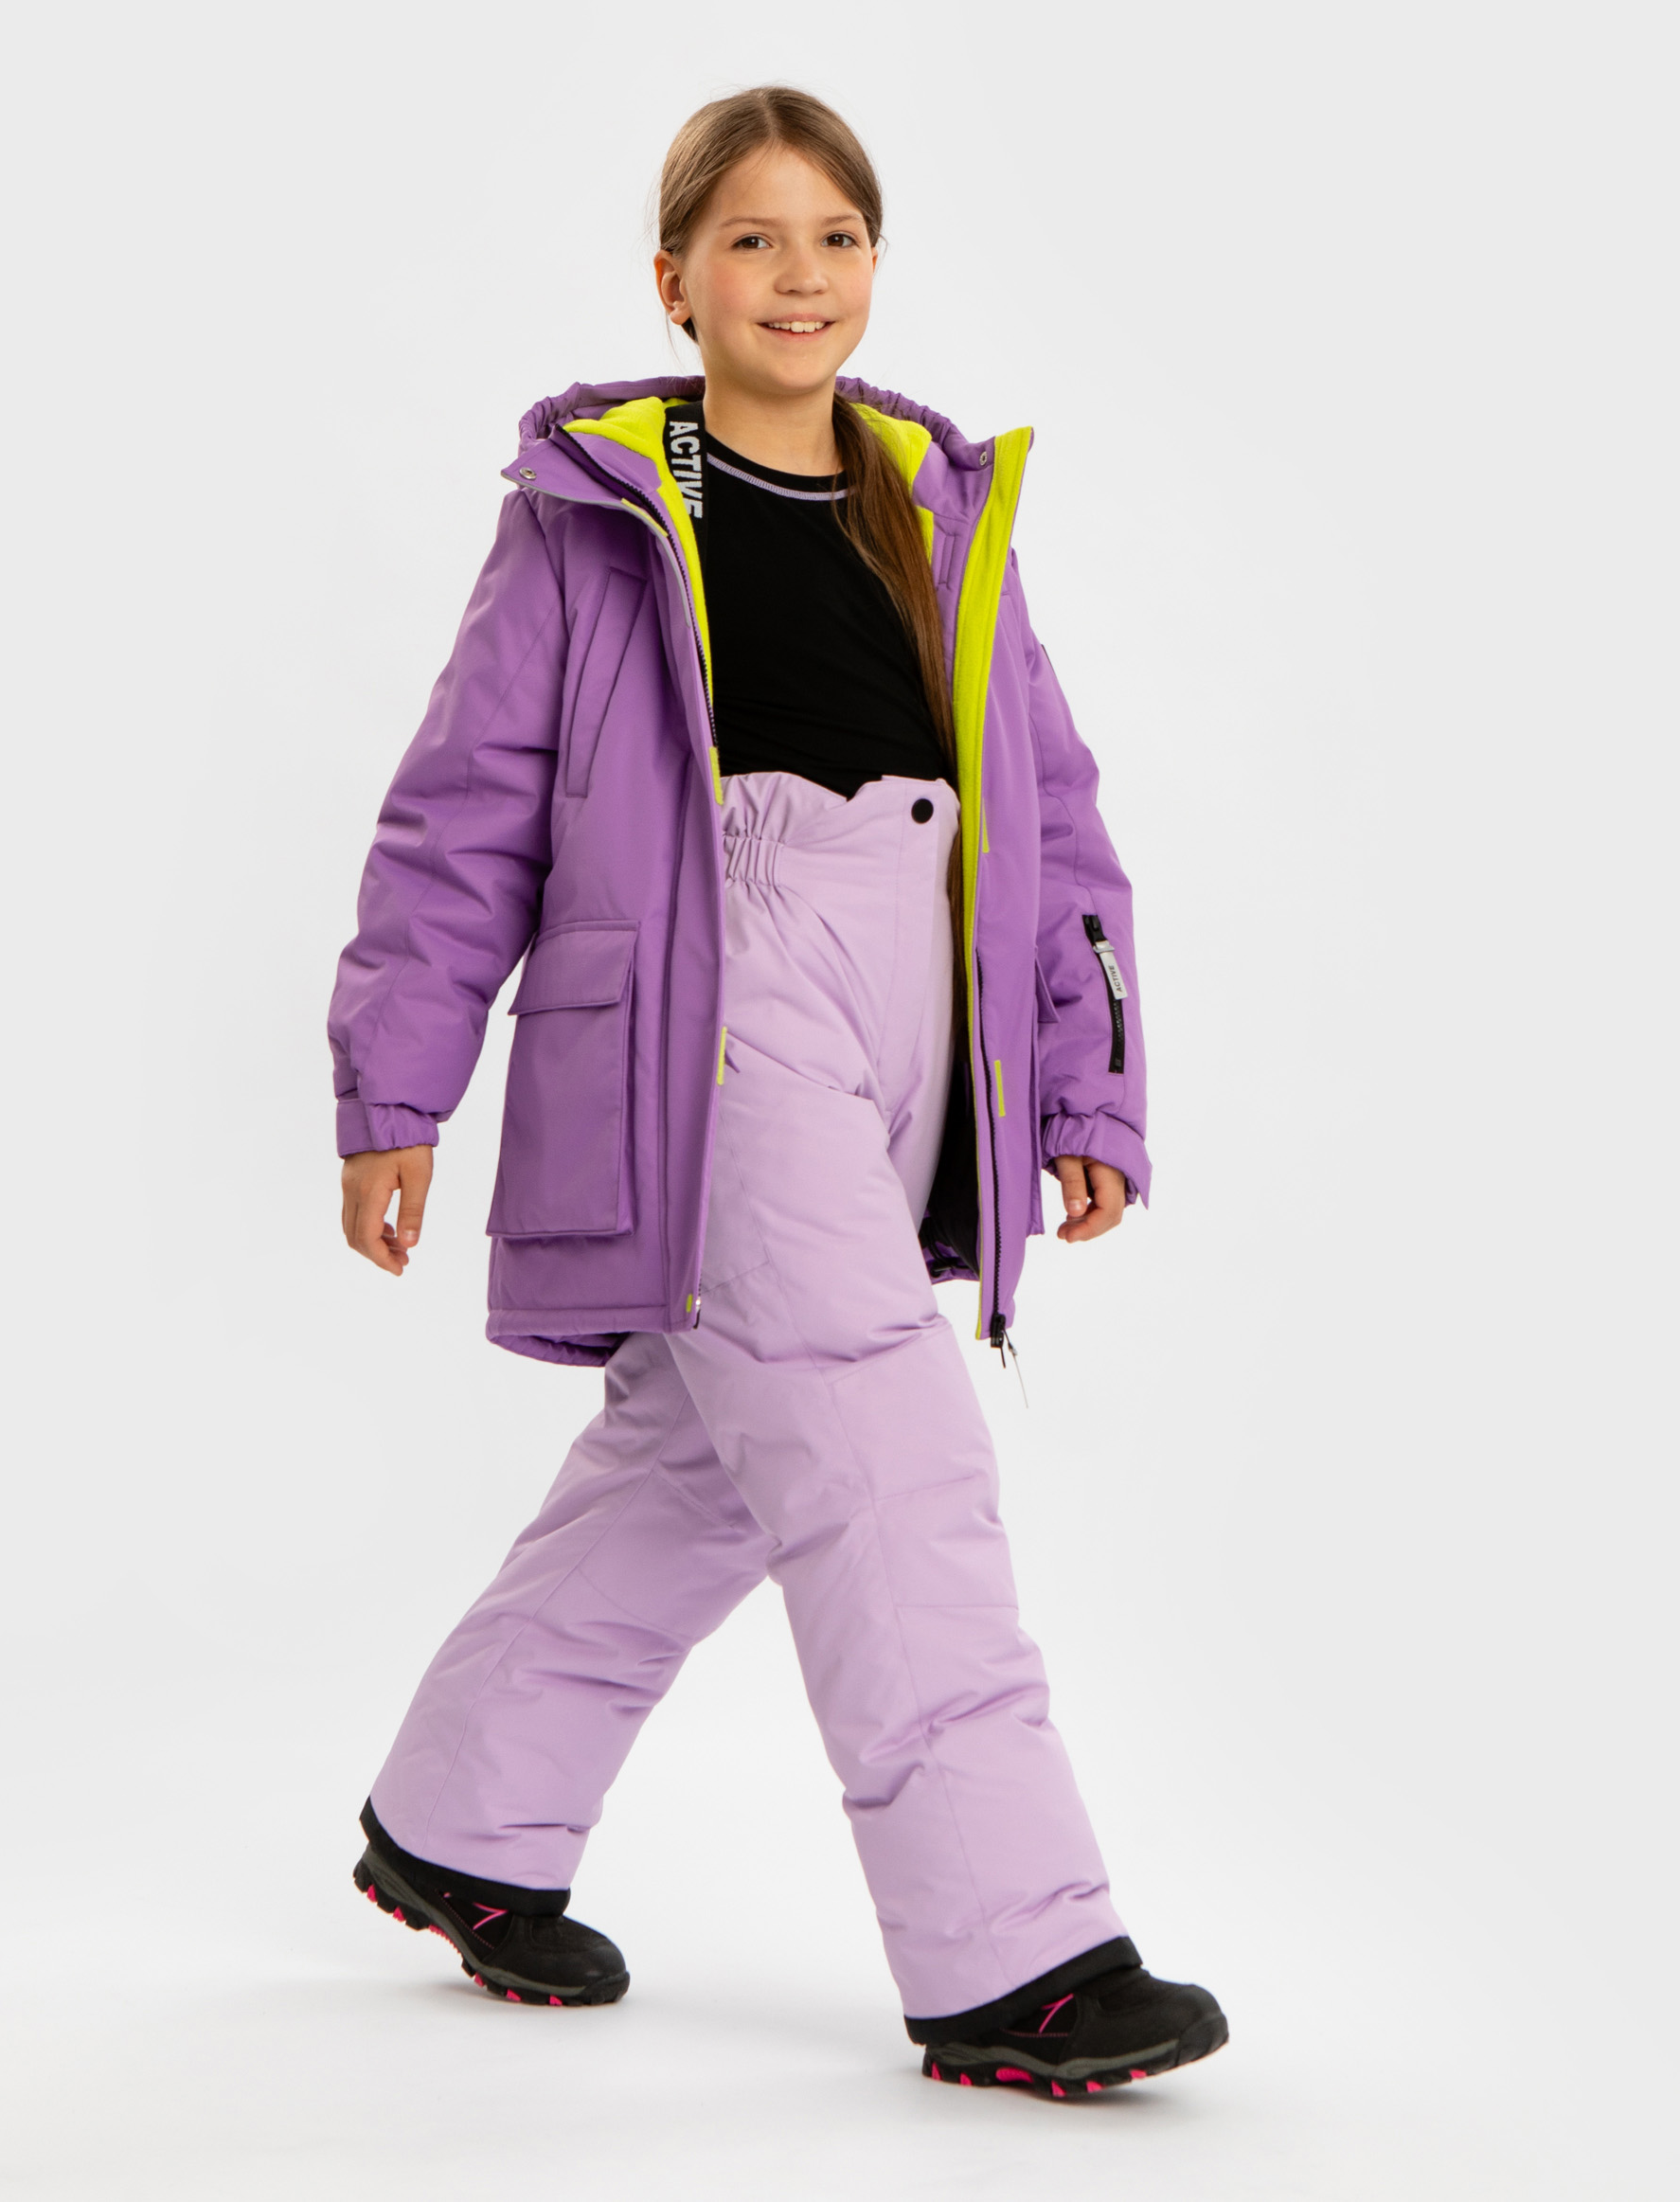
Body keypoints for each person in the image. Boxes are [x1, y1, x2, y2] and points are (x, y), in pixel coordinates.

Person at [328, 85, 1226, 2100]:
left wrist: (1085, 1090)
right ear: (675, 280)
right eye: (751, 238)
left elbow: (1052, 823)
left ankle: (461, 1818)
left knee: (703, 1457)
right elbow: (462, 817)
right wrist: (397, 1084)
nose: (798, 275)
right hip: (712, 1004)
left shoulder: (937, 506)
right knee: (885, 1441)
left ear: (875, 266)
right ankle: (1017, 1954)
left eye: (836, 237)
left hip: (906, 1001)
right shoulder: (593, 513)